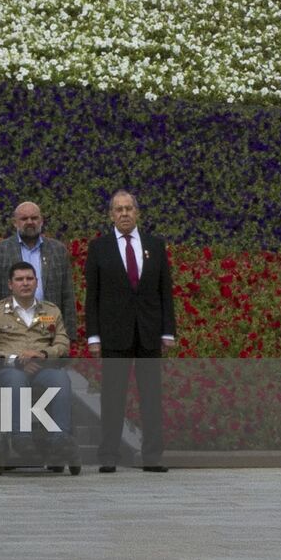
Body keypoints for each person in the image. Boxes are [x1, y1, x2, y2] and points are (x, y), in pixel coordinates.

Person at [85, 190, 175, 473]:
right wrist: (93, 336)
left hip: (148, 333)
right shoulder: (99, 248)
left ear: (137, 212)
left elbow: (165, 292)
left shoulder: (155, 245)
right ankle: (109, 455)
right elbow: (93, 296)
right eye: (118, 209)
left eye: (129, 209)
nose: (124, 214)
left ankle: (152, 456)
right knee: (112, 396)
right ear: (111, 215)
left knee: (151, 396)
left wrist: (168, 331)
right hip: (114, 334)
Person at [0, 262, 73, 464]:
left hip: (43, 368)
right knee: (16, 380)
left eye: (29, 279)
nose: (25, 283)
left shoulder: (51, 311)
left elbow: (62, 343)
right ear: (10, 284)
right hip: (9, 369)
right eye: (19, 279)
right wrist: (16, 361)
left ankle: (59, 439)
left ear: (36, 282)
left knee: (60, 379)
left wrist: (42, 353)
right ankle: (20, 438)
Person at [0, 201, 78, 340]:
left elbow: (67, 295)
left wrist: (69, 337)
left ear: (41, 221)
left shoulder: (58, 250)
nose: (30, 222)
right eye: (24, 219)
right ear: (15, 222)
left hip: (49, 331)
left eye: (34, 218)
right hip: (10, 335)